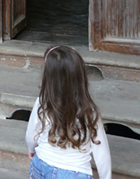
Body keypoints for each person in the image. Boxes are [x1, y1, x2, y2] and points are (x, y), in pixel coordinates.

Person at [25, 46, 112, 179]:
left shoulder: (43, 102)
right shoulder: (89, 110)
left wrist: (31, 149)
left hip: (41, 164)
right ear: (80, 76)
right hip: (75, 173)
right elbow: (102, 154)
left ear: (48, 77)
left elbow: (31, 135)